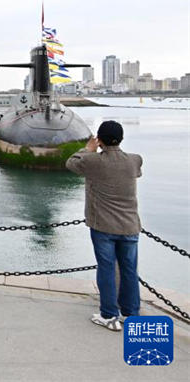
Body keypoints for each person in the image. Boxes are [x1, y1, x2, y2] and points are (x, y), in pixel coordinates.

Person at [66, 120, 143, 331]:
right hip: (130, 225)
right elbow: (136, 173)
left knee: (107, 269)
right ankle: (131, 314)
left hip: (103, 226)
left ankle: (109, 315)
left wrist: (88, 149)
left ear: (99, 140)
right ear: (122, 138)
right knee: (129, 270)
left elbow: (71, 163)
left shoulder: (92, 161)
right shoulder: (135, 160)